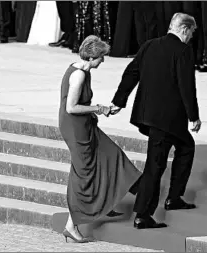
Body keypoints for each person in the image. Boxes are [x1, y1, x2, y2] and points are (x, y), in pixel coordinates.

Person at [110, 13, 202, 229]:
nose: (191, 38)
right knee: (155, 164)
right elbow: (186, 86)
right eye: (192, 33)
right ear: (185, 30)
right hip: (167, 119)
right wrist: (194, 116)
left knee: (185, 146)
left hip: (149, 115)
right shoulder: (183, 51)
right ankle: (143, 214)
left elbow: (131, 73)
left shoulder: (150, 45)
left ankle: (174, 198)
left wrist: (119, 100)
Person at [58, 35, 142, 242]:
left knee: (110, 154)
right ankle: (72, 225)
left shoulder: (84, 70)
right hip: (75, 129)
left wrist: (99, 110)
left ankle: (108, 201)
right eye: (101, 57)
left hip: (85, 124)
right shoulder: (78, 75)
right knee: (84, 172)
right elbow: (71, 107)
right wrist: (98, 108)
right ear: (92, 57)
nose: (103, 61)